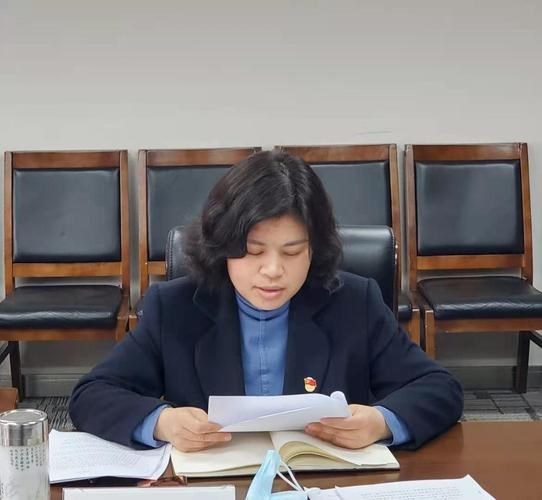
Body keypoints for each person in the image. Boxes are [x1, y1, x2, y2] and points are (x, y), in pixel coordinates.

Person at [69, 150, 463, 452]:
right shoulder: (173, 308)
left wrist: (381, 421)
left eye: (292, 252)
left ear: (315, 249)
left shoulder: (353, 303)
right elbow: (91, 395)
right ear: (223, 247)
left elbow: (439, 388)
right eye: (254, 251)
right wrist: (161, 422)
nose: (273, 270)